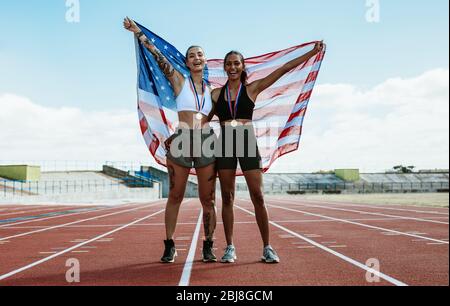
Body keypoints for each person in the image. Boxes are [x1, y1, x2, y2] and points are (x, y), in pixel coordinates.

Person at [211, 42, 325, 263]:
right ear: (224, 68)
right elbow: (202, 118)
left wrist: (311, 53)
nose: (232, 67)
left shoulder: (252, 89)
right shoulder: (216, 94)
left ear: (243, 66)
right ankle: (230, 247)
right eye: (229, 64)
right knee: (227, 197)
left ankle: (267, 247)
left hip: (245, 140)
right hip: (224, 142)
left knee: (258, 196)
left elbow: (283, 69)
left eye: (236, 63)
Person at [124, 17, 218, 263]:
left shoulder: (213, 91)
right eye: (192, 55)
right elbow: (158, 58)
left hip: (206, 142)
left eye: (200, 54)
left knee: (208, 199)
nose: (196, 58)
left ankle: (209, 245)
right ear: (187, 62)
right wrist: (139, 34)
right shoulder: (180, 81)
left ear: (205, 60)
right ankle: (170, 244)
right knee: (175, 195)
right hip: (181, 140)